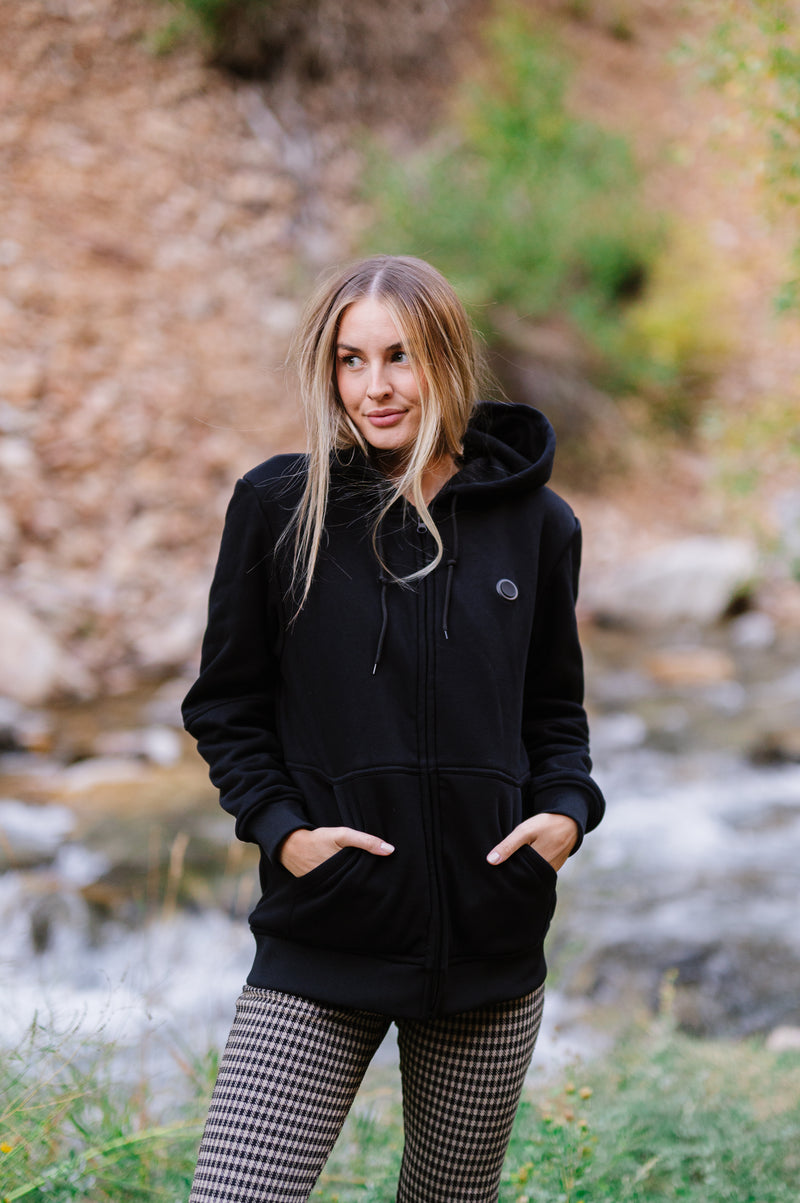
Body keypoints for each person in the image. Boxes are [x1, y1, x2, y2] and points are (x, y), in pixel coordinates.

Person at [182, 254, 605, 1202]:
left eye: (400, 356)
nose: (374, 387)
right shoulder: (280, 508)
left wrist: (565, 819)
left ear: (447, 359)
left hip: (492, 942)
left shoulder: (539, 526)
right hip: (326, 927)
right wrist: (287, 835)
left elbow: (553, 714)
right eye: (350, 359)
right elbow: (225, 704)